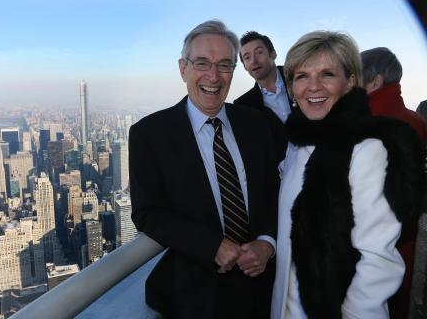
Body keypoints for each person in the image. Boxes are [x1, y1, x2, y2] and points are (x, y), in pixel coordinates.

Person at [129, 20, 280, 319]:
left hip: (263, 289)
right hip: (194, 296)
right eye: (202, 63)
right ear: (183, 68)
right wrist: (210, 246)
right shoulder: (150, 134)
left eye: (224, 65)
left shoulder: (257, 124)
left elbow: (274, 192)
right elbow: (147, 212)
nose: (214, 75)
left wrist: (267, 243)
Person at [271, 31, 425, 318]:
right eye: (301, 76)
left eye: (327, 74)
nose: (312, 86)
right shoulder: (296, 142)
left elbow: (377, 263)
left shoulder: (366, 149)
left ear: (350, 81)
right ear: (291, 87)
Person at [361, 46, 427, 319]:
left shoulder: (370, 125)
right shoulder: (416, 120)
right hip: (409, 241)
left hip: (375, 246)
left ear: (375, 82)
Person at [233, 31, 291, 160]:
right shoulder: (244, 106)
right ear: (244, 67)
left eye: (259, 52)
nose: (254, 61)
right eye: (247, 57)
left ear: (273, 54)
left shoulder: (299, 77)